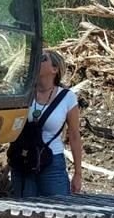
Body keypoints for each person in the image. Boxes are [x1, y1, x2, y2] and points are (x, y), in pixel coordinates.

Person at [8, 50, 82, 197]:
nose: (36, 61)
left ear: (55, 69)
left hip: (51, 162)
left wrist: (78, 174)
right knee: (23, 212)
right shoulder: (24, 93)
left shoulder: (67, 98)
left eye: (42, 59)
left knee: (60, 211)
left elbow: (74, 136)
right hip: (24, 162)